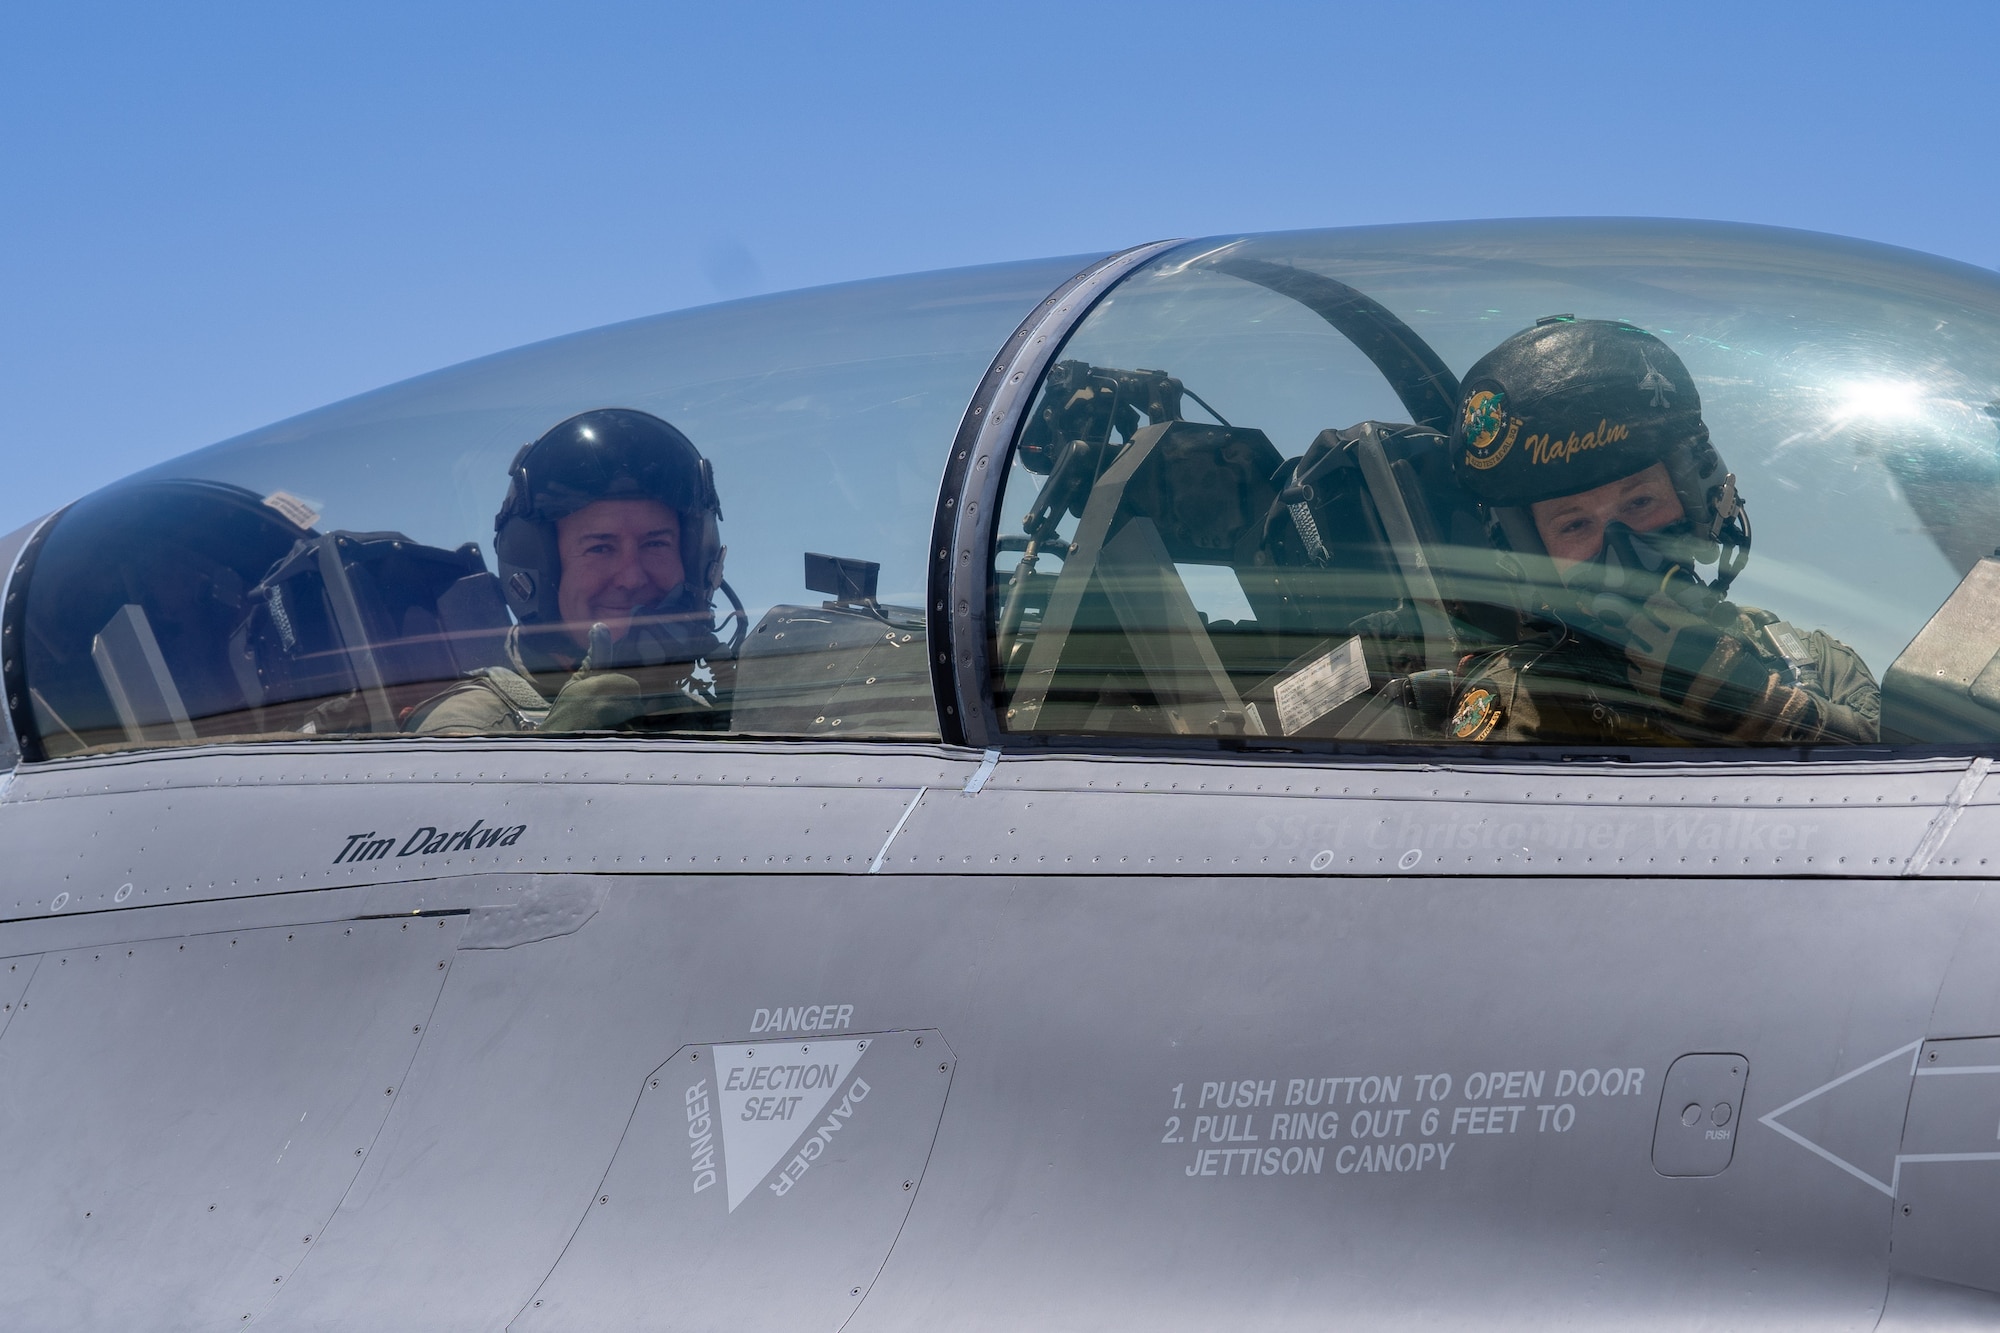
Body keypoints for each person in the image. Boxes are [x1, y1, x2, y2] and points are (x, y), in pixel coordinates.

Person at [1440, 317, 1879, 745]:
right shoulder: (1524, 702)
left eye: (1639, 503)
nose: (1621, 548)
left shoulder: (1812, 662)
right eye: (1574, 524)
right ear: (1532, 552)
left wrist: (1756, 704)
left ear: (1696, 500)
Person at [407, 407, 735, 735]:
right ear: (537, 576)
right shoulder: (471, 727)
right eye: (600, 548)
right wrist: (553, 755)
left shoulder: (703, 709)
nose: (632, 577)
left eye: (655, 544)